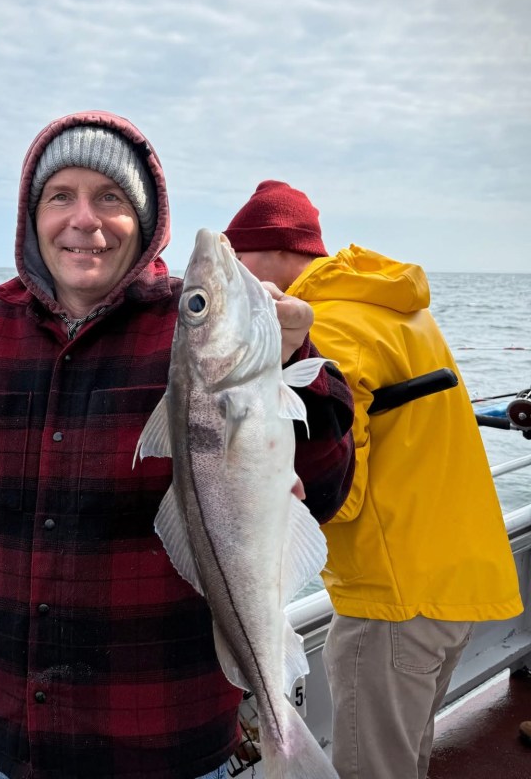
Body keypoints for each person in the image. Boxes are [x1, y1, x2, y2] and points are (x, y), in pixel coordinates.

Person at [0, 116, 355, 779]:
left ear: (144, 219)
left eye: (109, 197)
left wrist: (292, 359)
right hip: (14, 745)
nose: (85, 219)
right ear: (32, 216)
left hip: (171, 740)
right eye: (61, 196)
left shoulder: (191, 329)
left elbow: (327, 489)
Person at [224, 180, 524, 779]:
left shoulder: (328, 329)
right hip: (454, 583)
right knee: (408, 757)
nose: (236, 280)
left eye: (237, 260)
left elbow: (339, 494)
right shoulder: (395, 309)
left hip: (391, 602)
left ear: (278, 249)